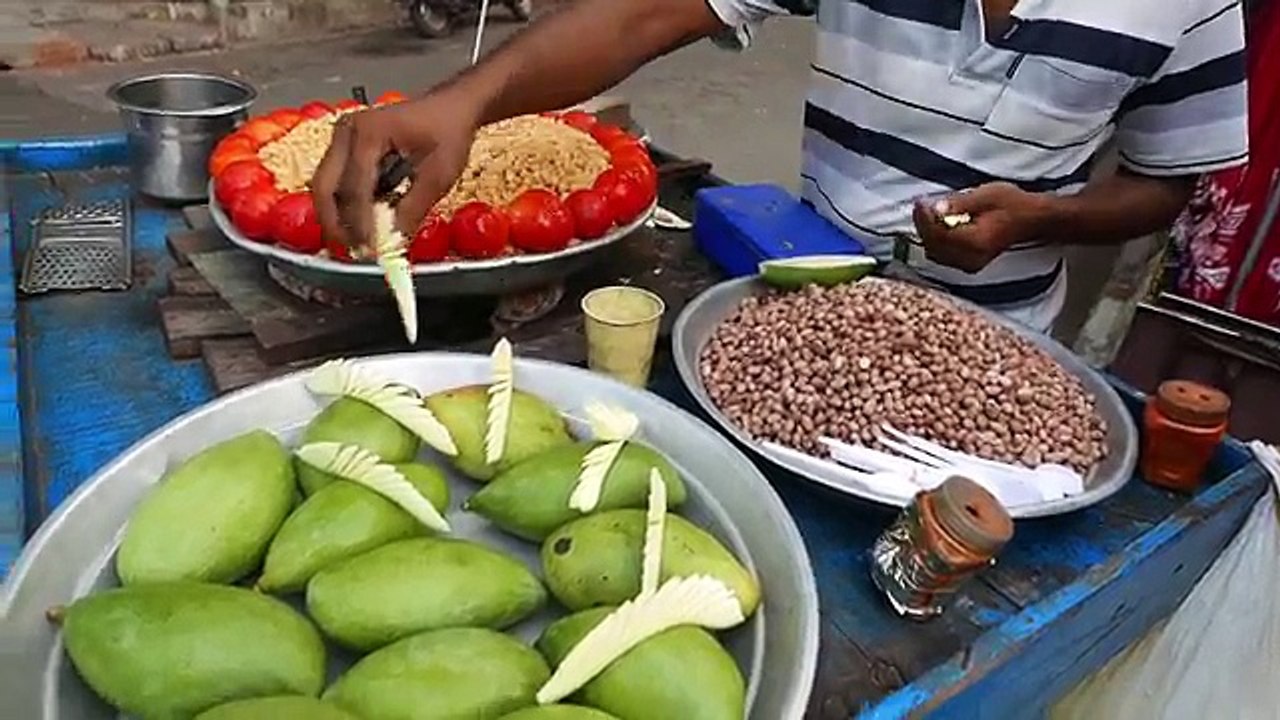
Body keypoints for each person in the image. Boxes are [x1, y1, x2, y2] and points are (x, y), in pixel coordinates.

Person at [312, 0, 1248, 331]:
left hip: (998, 338)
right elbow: (649, 12)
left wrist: (1043, 220)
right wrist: (464, 101)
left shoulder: (1193, 4)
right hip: (798, 291)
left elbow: (1165, 185)